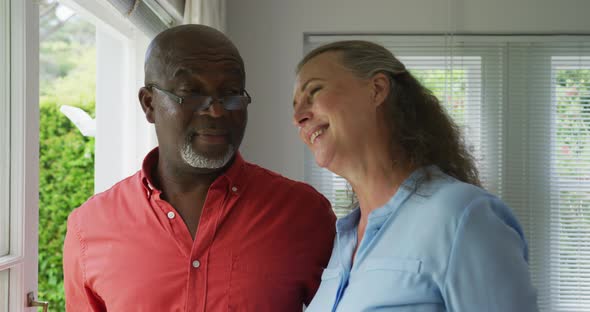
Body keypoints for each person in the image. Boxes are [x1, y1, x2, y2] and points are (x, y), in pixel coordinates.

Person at [63, 24, 336, 311]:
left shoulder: (304, 214)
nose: (216, 111)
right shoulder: (90, 226)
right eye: (191, 92)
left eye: (231, 92)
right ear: (149, 104)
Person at [292, 40, 538, 311]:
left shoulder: (462, 216)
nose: (298, 116)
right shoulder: (342, 242)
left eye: (314, 91)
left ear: (376, 90)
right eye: (295, 105)